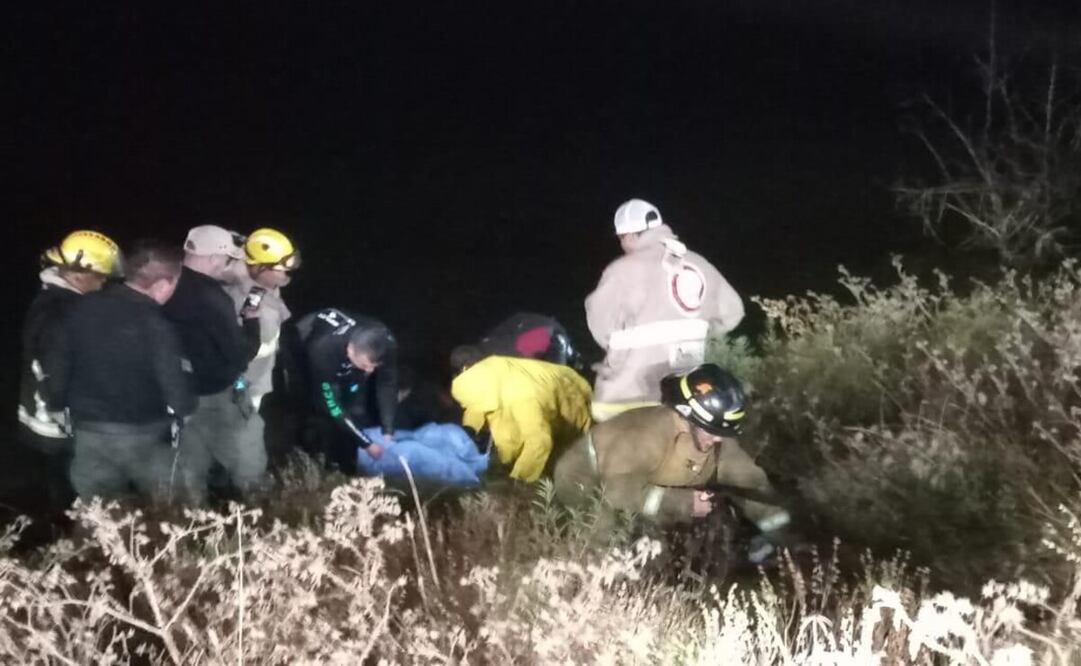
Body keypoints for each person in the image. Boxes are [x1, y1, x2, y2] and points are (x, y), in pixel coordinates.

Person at [552, 364, 792, 562]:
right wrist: (684, 503)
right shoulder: (647, 434)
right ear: (688, 416)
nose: (718, 439)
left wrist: (783, 534)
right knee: (605, 534)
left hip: (651, 477)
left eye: (722, 432)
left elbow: (753, 484)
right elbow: (616, 492)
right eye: (711, 430)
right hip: (586, 475)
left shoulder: (717, 440)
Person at [44, 240, 194, 503]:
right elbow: (172, 379)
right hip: (144, 433)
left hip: (89, 431)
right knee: (168, 504)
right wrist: (186, 410)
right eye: (175, 283)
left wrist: (56, 404)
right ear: (161, 285)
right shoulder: (156, 324)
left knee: (98, 512)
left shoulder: (79, 308)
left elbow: (57, 361)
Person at [585, 199, 745, 421]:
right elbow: (733, 313)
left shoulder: (621, 270)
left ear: (629, 235)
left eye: (621, 239)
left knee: (600, 447)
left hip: (628, 397)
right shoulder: (701, 264)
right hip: (688, 398)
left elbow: (601, 326)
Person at [16, 230, 121, 515]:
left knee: (58, 484)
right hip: (57, 424)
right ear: (78, 274)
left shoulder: (55, 297)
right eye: (100, 276)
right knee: (69, 492)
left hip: (47, 417)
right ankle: (70, 542)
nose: (102, 282)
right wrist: (64, 411)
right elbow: (54, 369)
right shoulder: (63, 311)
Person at [163, 225, 261, 504]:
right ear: (215, 258)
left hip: (180, 393)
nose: (230, 266)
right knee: (245, 455)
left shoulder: (166, 283)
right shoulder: (213, 297)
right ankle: (254, 509)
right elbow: (240, 353)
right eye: (230, 260)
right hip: (216, 394)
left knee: (190, 462)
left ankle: (195, 517)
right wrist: (251, 321)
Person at [449, 345, 592, 482]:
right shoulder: (487, 375)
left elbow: (540, 441)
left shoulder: (522, 395)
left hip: (572, 405)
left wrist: (518, 479)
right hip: (534, 398)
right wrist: (469, 429)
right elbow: (478, 405)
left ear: (464, 368)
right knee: (510, 445)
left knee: (563, 463)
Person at [293, 308, 399, 474]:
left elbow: (388, 383)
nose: (370, 371)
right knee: (321, 410)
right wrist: (367, 443)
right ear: (350, 350)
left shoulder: (387, 342)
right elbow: (331, 405)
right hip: (307, 335)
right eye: (365, 365)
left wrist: (388, 429)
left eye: (374, 366)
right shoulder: (322, 350)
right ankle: (322, 463)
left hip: (348, 356)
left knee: (355, 403)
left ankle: (352, 461)